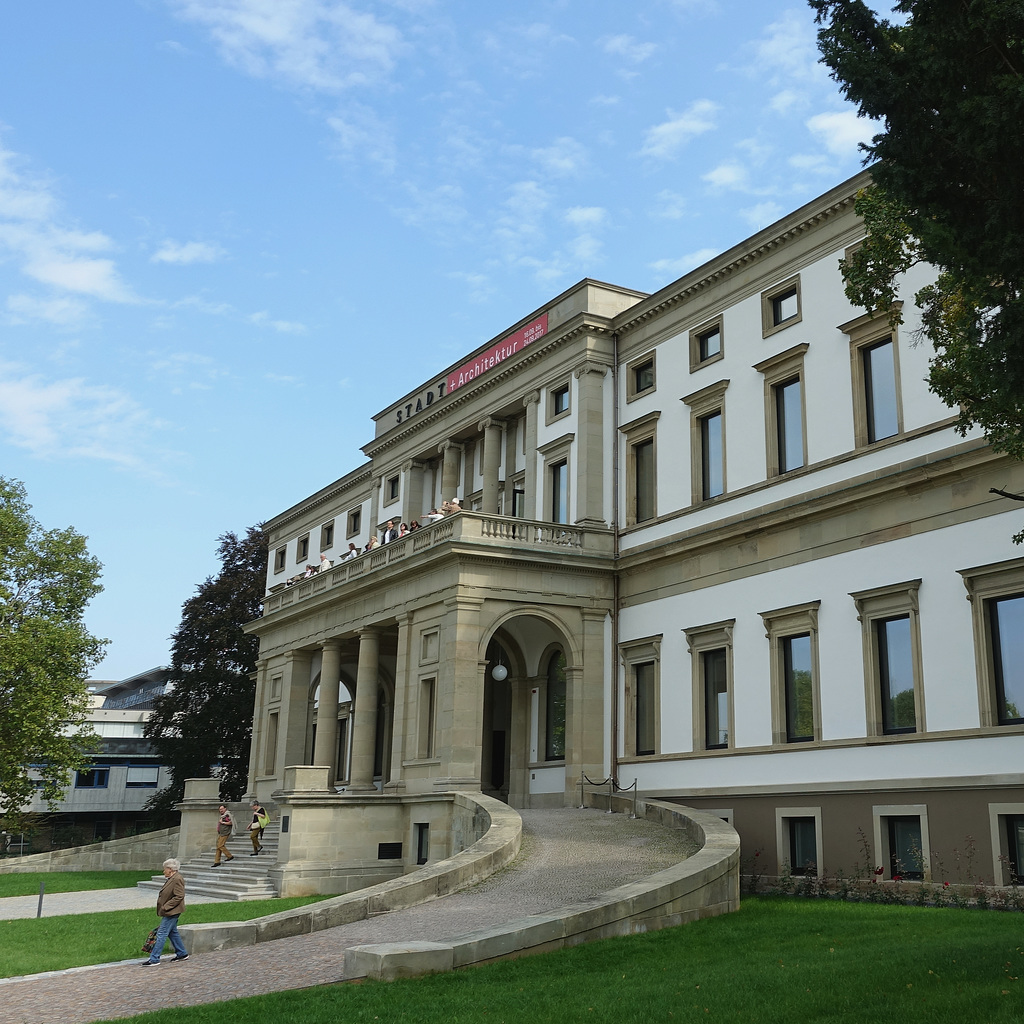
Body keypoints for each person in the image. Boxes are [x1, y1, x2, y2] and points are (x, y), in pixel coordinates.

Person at [140, 858, 188, 965]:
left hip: (172, 911)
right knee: (172, 932)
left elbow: (179, 896)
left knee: (162, 933)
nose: (163, 871)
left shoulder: (177, 879)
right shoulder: (172, 878)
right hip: (170, 911)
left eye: (165, 869)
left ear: (170, 869)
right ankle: (182, 953)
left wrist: (166, 906)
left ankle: (154, 959)